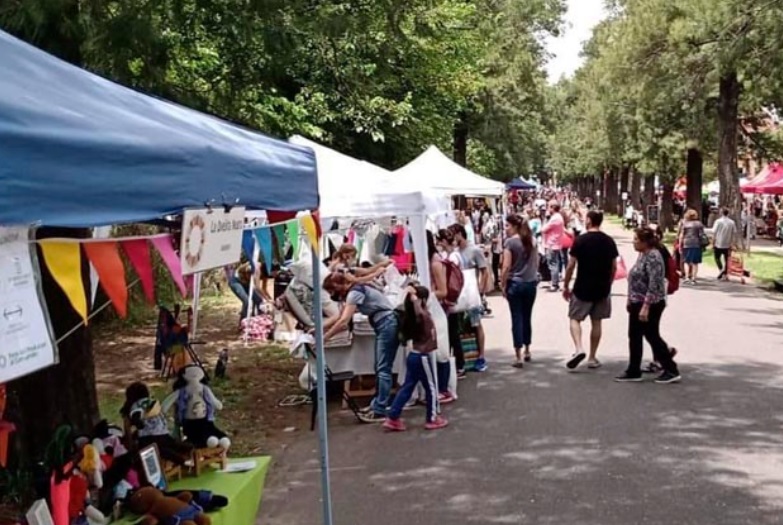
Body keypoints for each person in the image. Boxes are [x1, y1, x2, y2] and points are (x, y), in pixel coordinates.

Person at [323, 273, 400, 423]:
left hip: (386, 324)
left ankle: (380, 409)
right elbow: (340, 317)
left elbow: (344, 321)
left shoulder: (354, 293)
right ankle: (377, 404)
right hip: (386, 323)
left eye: (332, 290)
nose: (333, 294)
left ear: (340, 285)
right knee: (380, 367)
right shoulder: (358, 288)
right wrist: (319, 329)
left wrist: (325, 338)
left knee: (383, 368)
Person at [615, 228, 681, 384]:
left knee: (651, 335)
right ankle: (634, 369)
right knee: (635, 336)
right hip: (637, 301)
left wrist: (646, 306)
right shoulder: (643, 255)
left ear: (645, 242)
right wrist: (630, 298)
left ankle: (670, 368)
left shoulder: (653, 256)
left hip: (651, 303)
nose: (633, 242)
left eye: (636, 239)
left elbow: (655, 283)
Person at [383, 285, 449, 432]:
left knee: (408, 386)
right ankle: (432, 418)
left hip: (414, 355)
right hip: (422, 357)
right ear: (423, 300)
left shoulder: (412, 317)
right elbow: (419, 312)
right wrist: (414, 298)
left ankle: (393, 417)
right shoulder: (421, 316)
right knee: (431, 388)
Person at [562, 211, 618, 371]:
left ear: (589, 220)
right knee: (597, 321)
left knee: (574, 318)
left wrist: (566, 285)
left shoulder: (580, 241)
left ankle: (579, 348)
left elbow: (571, 265)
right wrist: (609, 283)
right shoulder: (609, 241)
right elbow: (614, 266)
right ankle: (592, 357)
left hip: (582, 286)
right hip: (602, 287)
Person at [449, 224, 490, 372]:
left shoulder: (474, 250)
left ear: (460, 234)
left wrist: (481, 288)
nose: (452, 238)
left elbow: (484, 271)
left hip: (472, 292)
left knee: (476, 323)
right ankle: (466, 356)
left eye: (453, 235)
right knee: (461, 325)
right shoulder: (454, 253)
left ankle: (481, 356)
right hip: (460, 294)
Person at [500, 215, 539, 368]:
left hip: (515, 284)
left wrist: (502, 284)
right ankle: (527, 349)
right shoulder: (532, 240)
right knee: (527, 316)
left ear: (515, 226)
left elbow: (506, 266)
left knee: (516, 318)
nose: (506, 229)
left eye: (507, 226)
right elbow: (536, 262)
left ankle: (518, 355)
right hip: (530, 283)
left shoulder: (510, 243)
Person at [428, 230, 458, 402]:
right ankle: (437, 387)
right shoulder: (430, 261)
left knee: (441, 349)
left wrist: (426, 294)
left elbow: (443, 290)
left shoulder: (435, 262)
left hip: (438, 309)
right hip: (431, 308)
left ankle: (444, 388)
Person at [542, 202, 566, 291]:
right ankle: (554, 281)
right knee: (554, 263)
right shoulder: (558, 217)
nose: (548, 209)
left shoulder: (555, 218)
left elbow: (543, 229)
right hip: (555, 243)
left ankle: (554, 284)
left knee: (552, 264)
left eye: (549, 207)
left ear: (553, 208)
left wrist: (546, 220)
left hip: (552, 244)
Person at [678, 208, 706, 284]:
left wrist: (680, 244)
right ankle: (694, 278)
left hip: (686, 243)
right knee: (695, 262)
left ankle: (687, 277)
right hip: (696, 244)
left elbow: (681, 235)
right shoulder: (699, 224)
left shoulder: (685, 224)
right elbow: (701, 235)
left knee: (687, 262)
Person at [712, 208, 738, 281]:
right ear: (728, 213)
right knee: (727, 259)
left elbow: (714, 232)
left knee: (717, 258)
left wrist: (713, 242)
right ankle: (725, 273)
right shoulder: (732, 222)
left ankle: (721, 270)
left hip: (718, 243)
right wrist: (733, 243)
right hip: (727, 243)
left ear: (721, 213)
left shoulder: (718, 221)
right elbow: (734, 233)